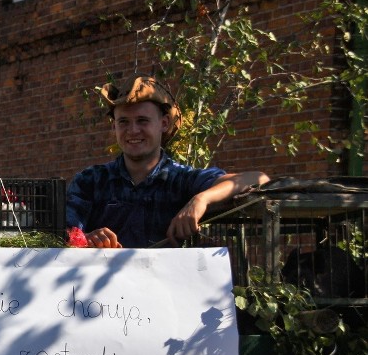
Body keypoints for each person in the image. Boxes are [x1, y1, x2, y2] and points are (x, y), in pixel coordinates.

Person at [66, 73, 269, 248]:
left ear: (164, 123)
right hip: (101, 292)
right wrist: (86, 241)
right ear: (114, 128)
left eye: (142, 121)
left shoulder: (181, 180)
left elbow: (257, 178)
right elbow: (61, 237)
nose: (133, 130)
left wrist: (200, 200)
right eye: (124, 122)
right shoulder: (90, 181)